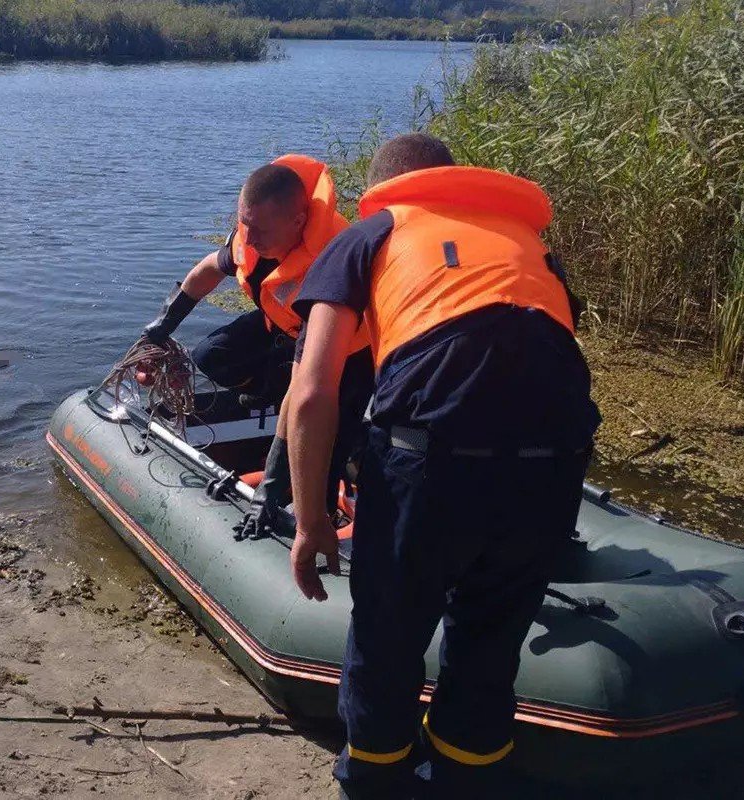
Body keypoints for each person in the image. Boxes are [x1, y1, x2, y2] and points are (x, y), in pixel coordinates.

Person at [284, 133, 601, 799]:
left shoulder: (373, 232)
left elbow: (311, 394)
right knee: (489, 650)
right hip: (552, 470)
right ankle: (466, 782)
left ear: (384, 188)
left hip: (429, 472)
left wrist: (311, 521)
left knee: (386, 644)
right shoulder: (527, 242)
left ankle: (374, 784)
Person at [140, 154, 372, 537]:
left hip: (345, 357)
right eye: (244, 224)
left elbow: (305, 388)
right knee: (212, 356)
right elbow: (206, 271)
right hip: (282, 327)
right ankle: (269, 397)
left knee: (324, 450)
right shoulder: (254, 239)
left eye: (259, 229)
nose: (249, 237)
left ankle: (319, 520)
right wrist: (159, 330)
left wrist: (270, 489)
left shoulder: (329, 269)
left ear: (298, 221)